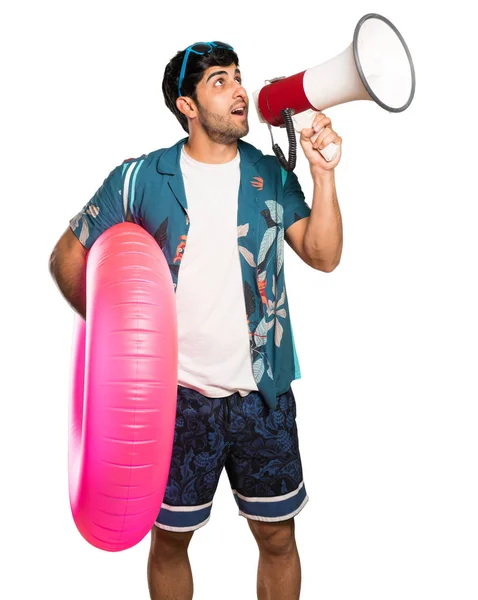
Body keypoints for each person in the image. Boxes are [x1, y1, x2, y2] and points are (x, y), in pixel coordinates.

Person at [49, 40, 343, 600]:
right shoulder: (139, 179)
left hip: (264, 393)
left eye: (239, 76)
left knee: (278, 538)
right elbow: (67, 257)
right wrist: (111, 348)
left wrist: (323, 174)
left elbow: (324, 255)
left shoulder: (270, 173)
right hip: (175, 401)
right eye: (219, 81)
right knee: (170, 543)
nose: (240, 90)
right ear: (187, 105)